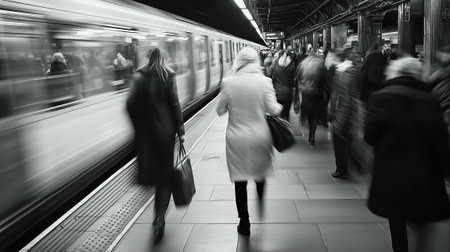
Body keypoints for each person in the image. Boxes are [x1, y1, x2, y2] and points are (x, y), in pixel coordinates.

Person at [364, 57, 450, 252]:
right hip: (425, 173)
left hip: (391, 173)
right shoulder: (430, 100)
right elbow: (440, 141)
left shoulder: (380, 97)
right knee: (422, 220)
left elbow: (370, 137)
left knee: (397, 218)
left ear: (395, 73)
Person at [216, 47, 282, 236]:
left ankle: (244, 222)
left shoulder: (228, 82)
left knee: (240, 180)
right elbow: (273, 109)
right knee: (260, 174)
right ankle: (260, 202)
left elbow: (219, 111)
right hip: (260, 136)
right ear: (255, 61)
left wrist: (233, 106)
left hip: (236, 138)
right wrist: (278, 106)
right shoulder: (265, 81)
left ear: (238, 60)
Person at [126, 48, 185, 244]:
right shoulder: (169, 75)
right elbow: (175, 105)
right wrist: (181, 132)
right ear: (164, 59)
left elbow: (129, 105)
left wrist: (139, 127)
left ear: (147, 58)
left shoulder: (139, 76)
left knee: (151, 173)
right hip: (165, 135)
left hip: (146, 136)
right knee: (165, 179)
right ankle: (159, 219)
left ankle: (156, 205)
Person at [328, 46, 359, 179]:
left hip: (343, 115)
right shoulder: (347, 71)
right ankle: (348, 166)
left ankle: (342, 170)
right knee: (346, 141)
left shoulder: (344, 73)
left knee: (340, 143)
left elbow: (345, 98)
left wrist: (338, 120)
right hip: (346, 114)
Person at [295, 55, 326, 146]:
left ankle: (310, 132)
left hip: (305, 92)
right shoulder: (320, 64)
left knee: (309, 114)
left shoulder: (303, 64)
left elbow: (298, 78)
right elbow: (323, 79)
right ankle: (312, 135)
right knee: (315, 115)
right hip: (316, 92)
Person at [267, 50, 297, 121]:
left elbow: (268, 75)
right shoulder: (291, 66)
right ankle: (286, 129)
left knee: (276, 116)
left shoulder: (274, 65)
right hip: (288, 95)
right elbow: (294, 82)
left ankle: (278, 129)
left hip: (277, 94)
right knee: (286, 114)